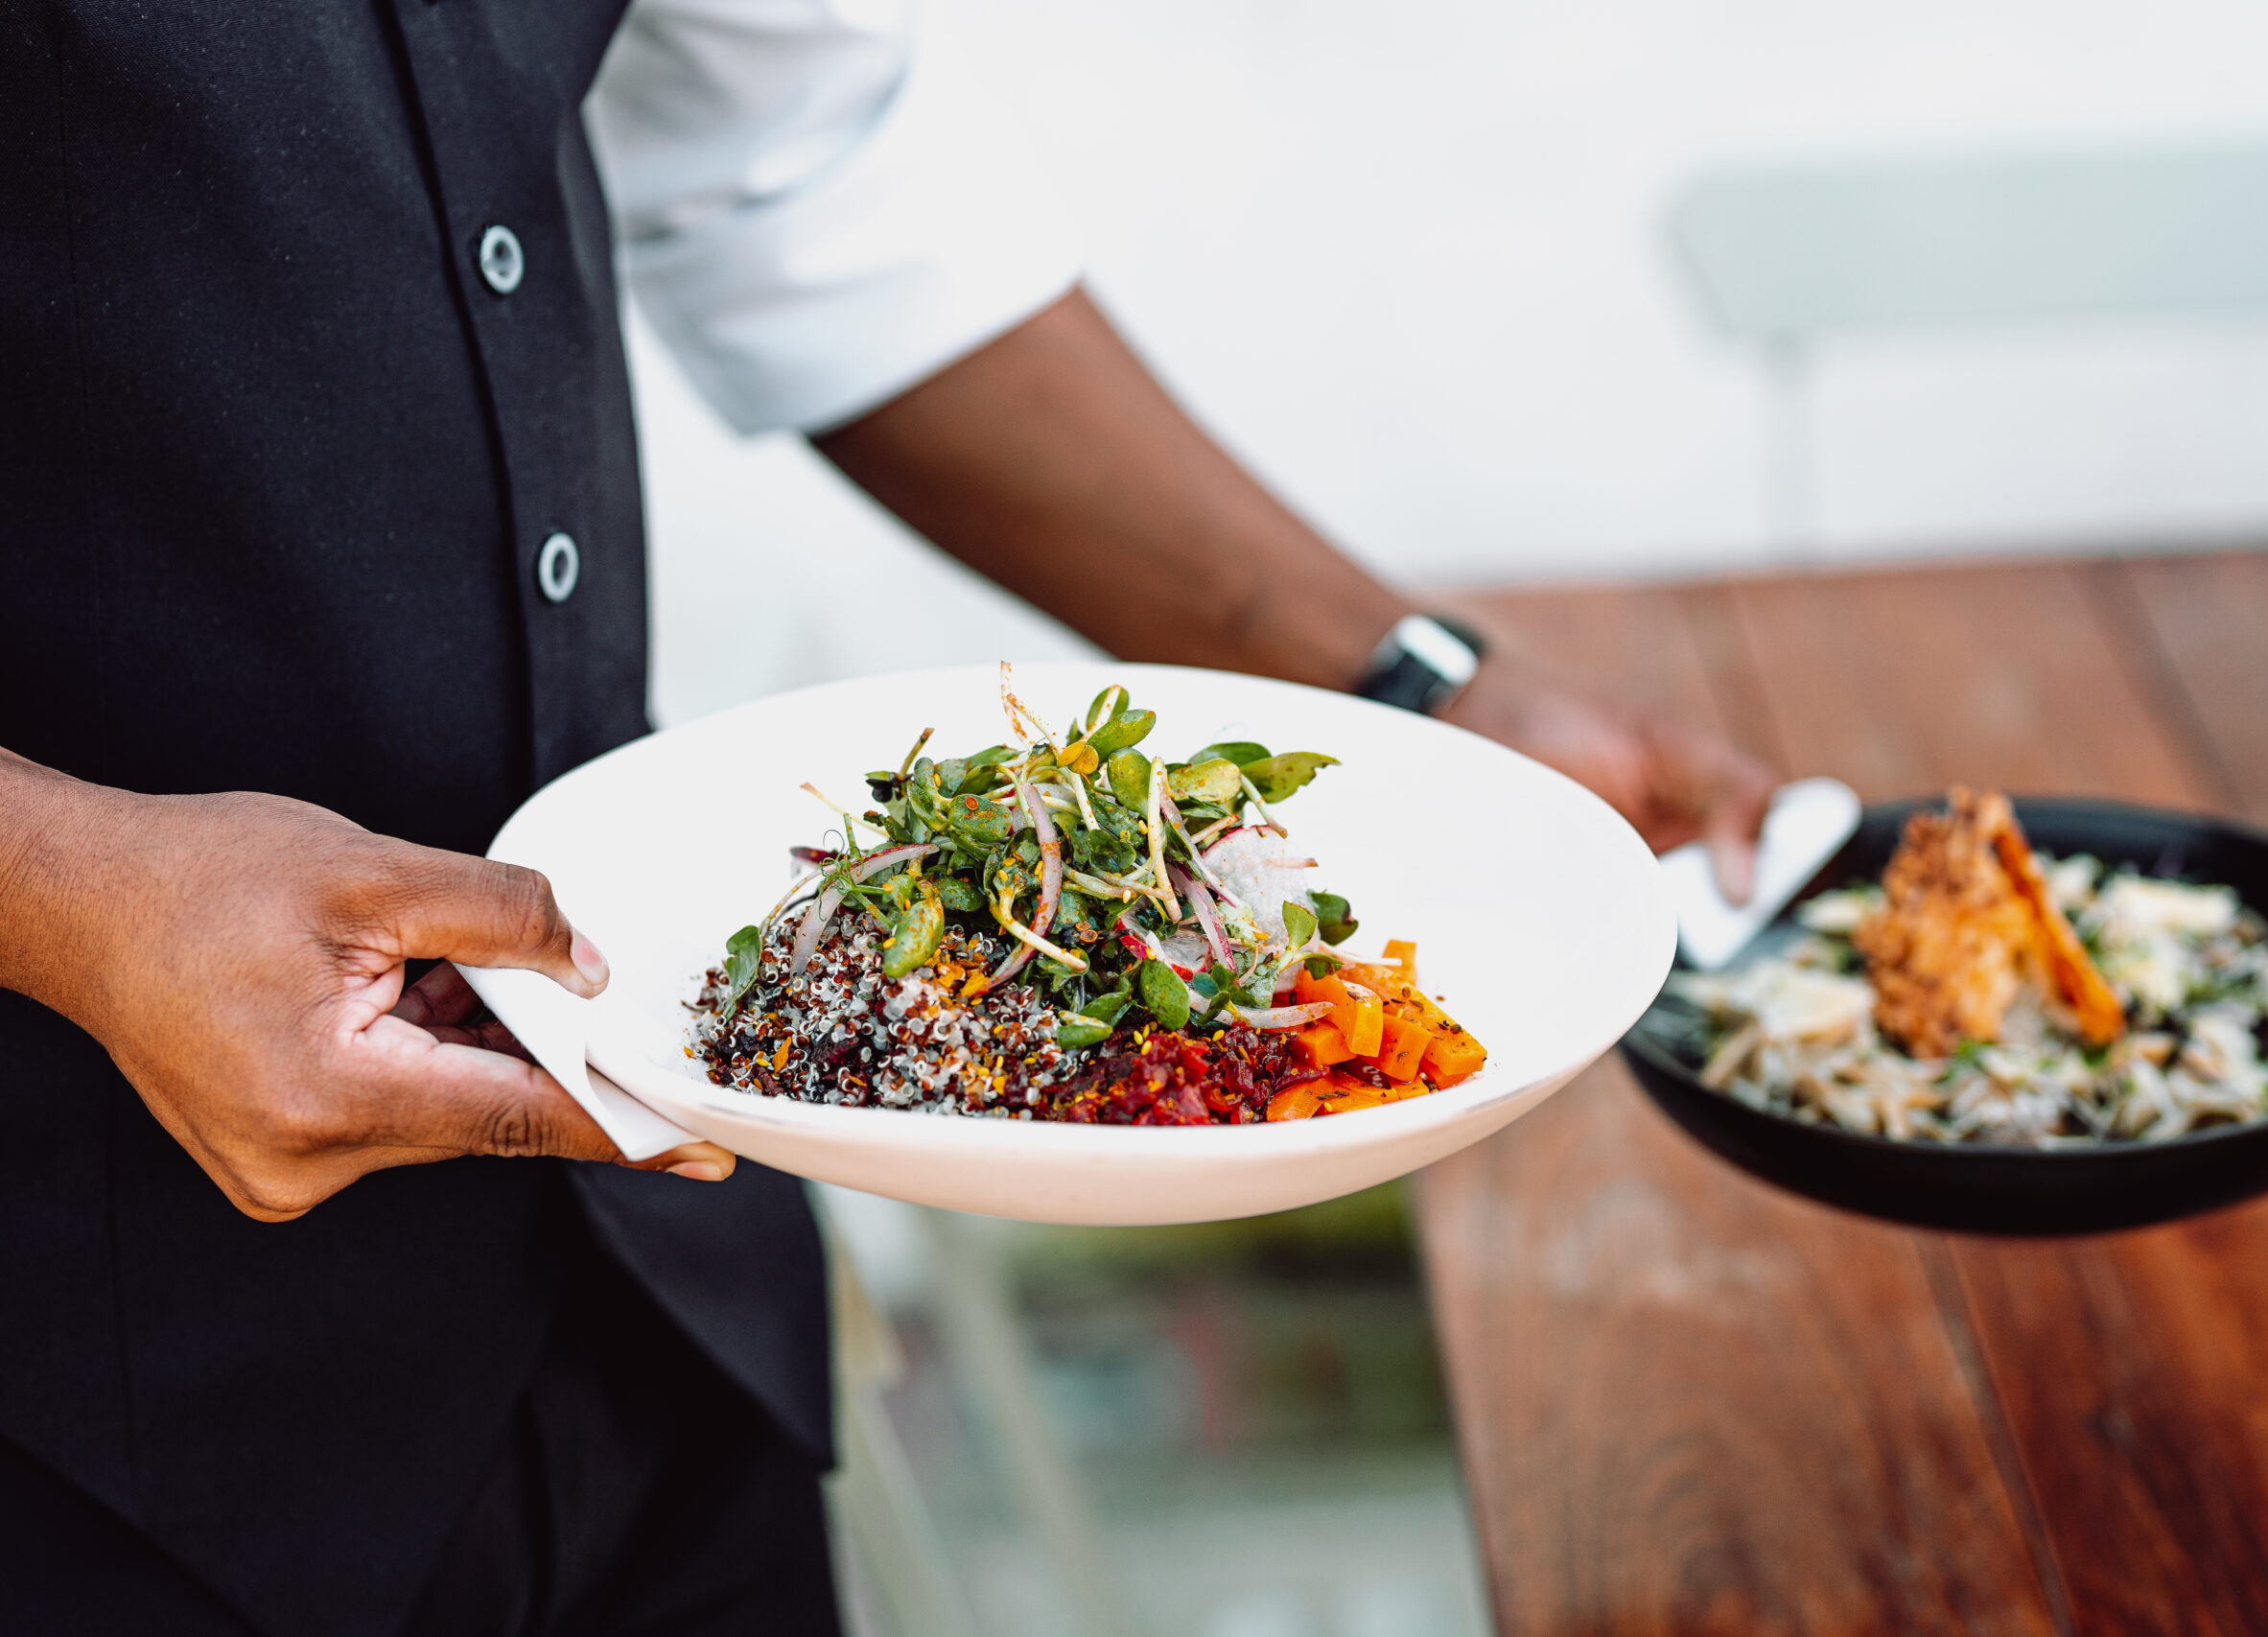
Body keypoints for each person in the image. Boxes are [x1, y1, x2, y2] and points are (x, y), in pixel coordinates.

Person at [0, 2, 1774, 1632]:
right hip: (83, 1395)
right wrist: (62, 886)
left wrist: (1413, 686)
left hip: (668, 1277)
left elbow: (793, 167)